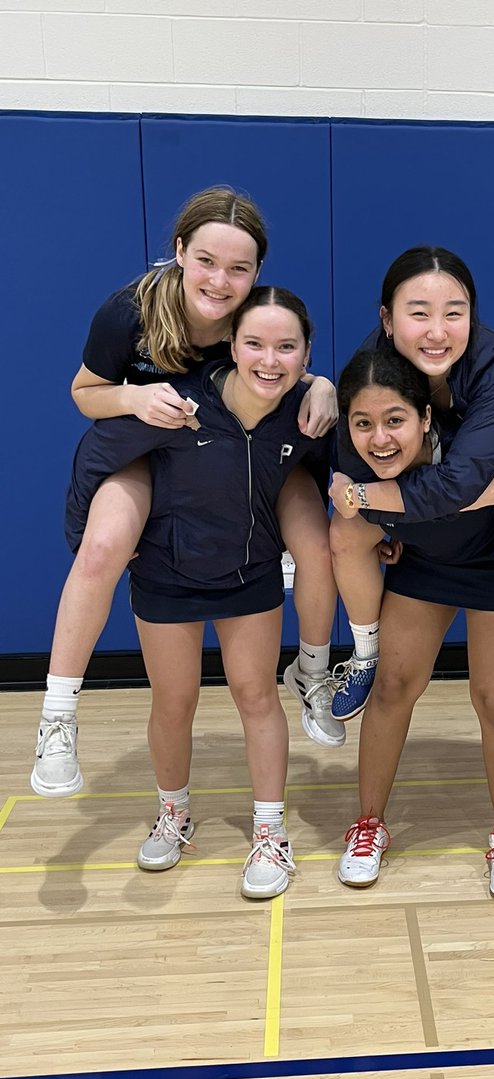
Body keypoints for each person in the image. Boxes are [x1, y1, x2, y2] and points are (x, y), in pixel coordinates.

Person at [31, 187, 341, 803]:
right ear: (179, 251)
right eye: (205, 260)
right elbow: (84, 392)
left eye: (238, 268)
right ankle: (58, 717)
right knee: (104, 547)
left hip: (229, 448)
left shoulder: (252, 313)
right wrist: (132, 397)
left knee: (316, 545)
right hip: (144, 444)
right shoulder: (130, 312)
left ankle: (313, 671)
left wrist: (321, 381)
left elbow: (278, 357)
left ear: (256, 272)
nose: (220, 280)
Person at [65, 287, 321, 899]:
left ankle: (269, 831)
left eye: (287, 348)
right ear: (230, 346)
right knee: (172, 701)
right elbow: (97, 449)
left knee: (256, 696)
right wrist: (88, 531)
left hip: (248, 575)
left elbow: (341, 475)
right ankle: (173, 813)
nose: (269, 358)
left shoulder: (306, 409)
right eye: (255, 344)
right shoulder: (176, 405)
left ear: (306, 354)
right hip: (166, 572)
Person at [331, 345, 494, 898]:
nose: (380, 439)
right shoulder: (351, 457)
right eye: (364, 424)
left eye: (395, 420)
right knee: (392, 689)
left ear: (425, 418)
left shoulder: (484, 442)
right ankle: (368, 822)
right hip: (423, 566)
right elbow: (348, 509)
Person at [327, 246, 494, 745]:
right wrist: (385, 516)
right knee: (344, 529)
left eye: (454, 313)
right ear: (387, 319)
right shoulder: (371, 372)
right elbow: (351, 472)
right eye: (419, 313)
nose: (437, 331)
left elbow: (469, 478)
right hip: (457, 488)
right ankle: (365, 654)